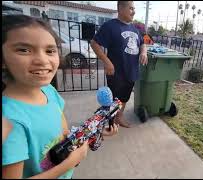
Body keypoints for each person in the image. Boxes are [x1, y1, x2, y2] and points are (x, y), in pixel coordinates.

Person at [2, 15, 118, 179]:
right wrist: (71, 162)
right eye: (24, 50)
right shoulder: (9, 119)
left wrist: (93, 133)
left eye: (50, 50)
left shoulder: (49, 90)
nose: (42, 60)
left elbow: (64, 135)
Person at [90, 1, 148, 128]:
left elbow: (142, 42)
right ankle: (110, 123)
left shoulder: (135, 29)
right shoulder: (110, 26)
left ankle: (119, 117)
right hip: (116, 72)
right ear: (120, 8)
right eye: (131, 8)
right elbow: (94, 43)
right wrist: (107, 62)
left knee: (125, 98)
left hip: (131, 71)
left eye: (134, 9)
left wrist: (144, 52)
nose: (134, 11)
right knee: (113, 100)